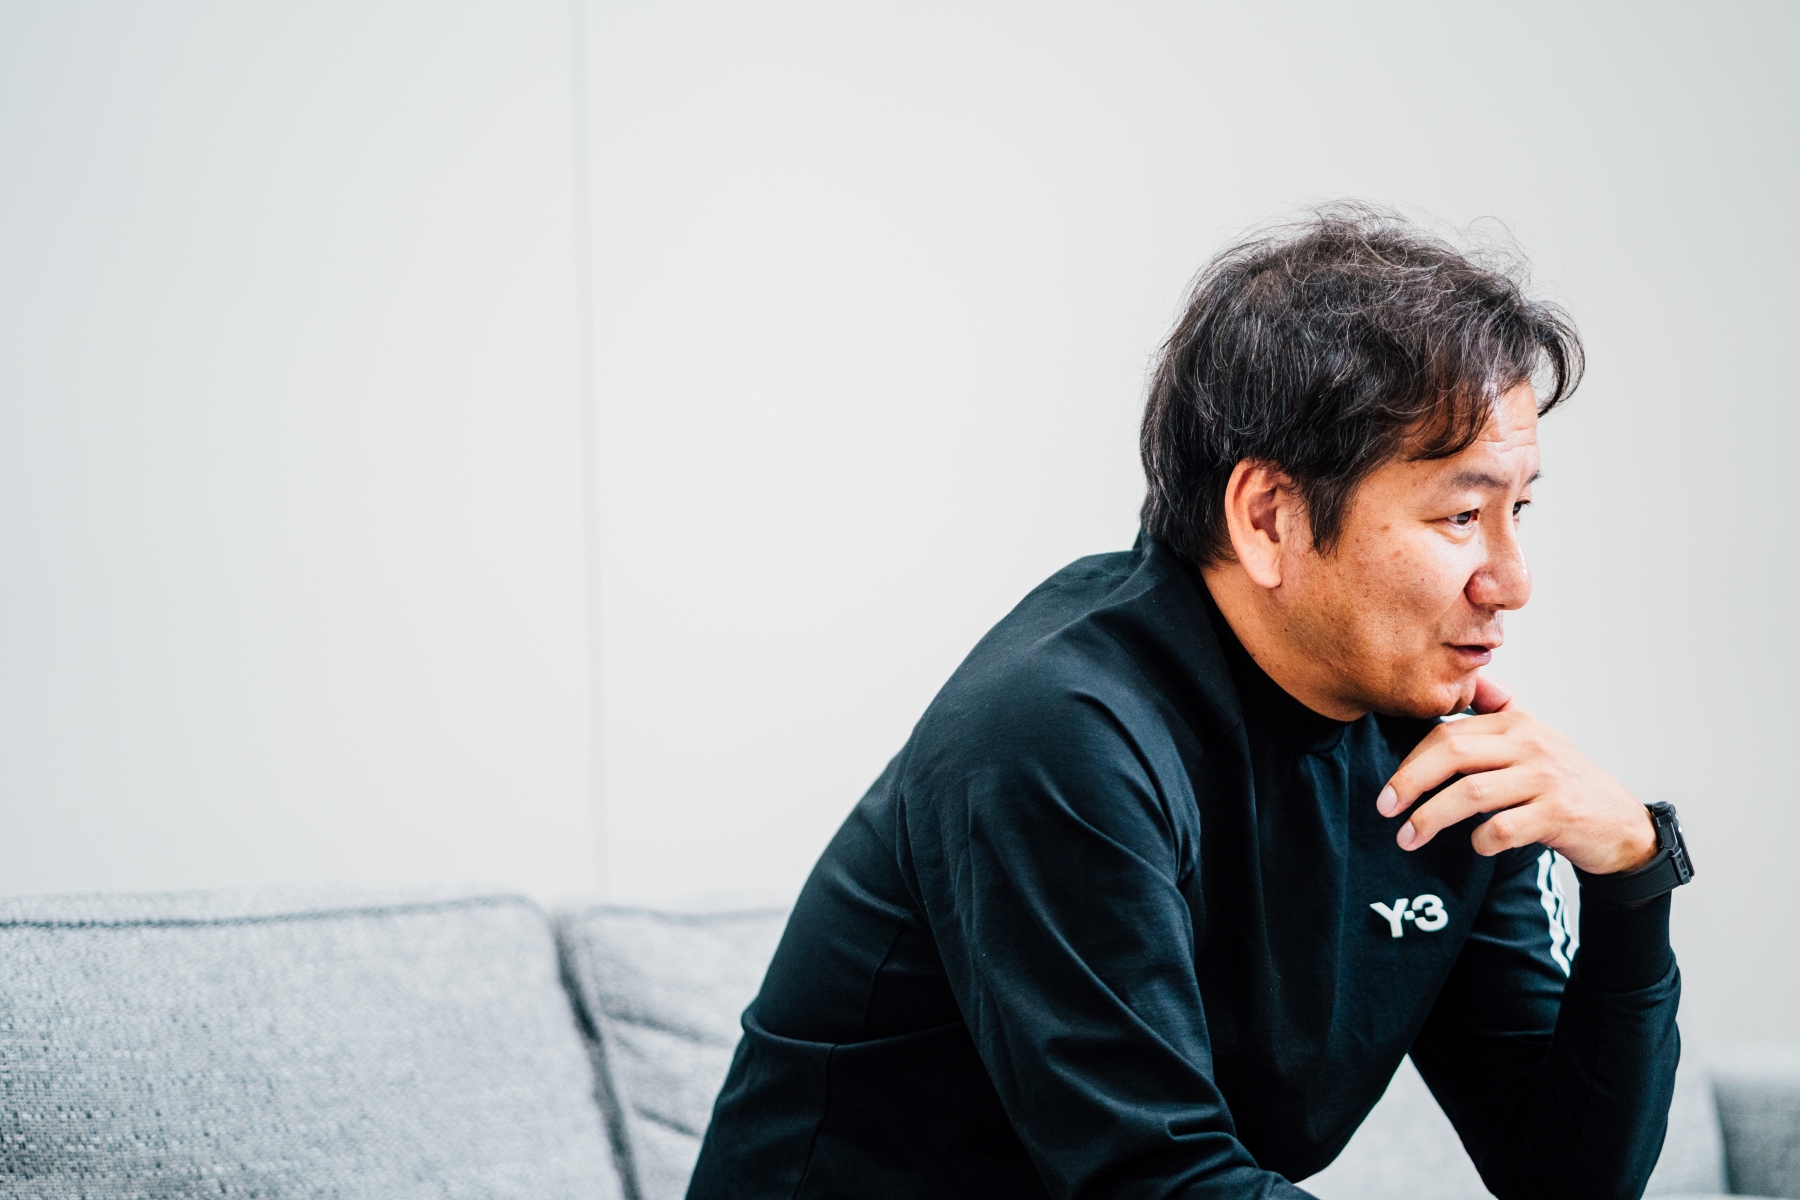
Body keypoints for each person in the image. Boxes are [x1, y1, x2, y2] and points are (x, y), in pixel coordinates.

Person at [687, 206, 1691, 1200]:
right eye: (1463, 515)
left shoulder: (1450, 750)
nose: (1513, 581)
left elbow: (1569, 1181)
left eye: (1519, 510)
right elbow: (1156, 1183)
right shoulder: (1059, 732)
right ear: (1269, 517)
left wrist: (1635, 873)